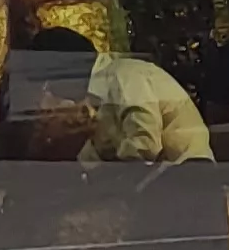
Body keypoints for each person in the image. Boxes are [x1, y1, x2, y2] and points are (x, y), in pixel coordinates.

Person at [16, 26, 214, 165]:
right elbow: (102, 149)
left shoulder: (126, 76)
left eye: (49, 82)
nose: (50, 91)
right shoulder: (103, 96)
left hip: (187, 182)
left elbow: (144, 144)